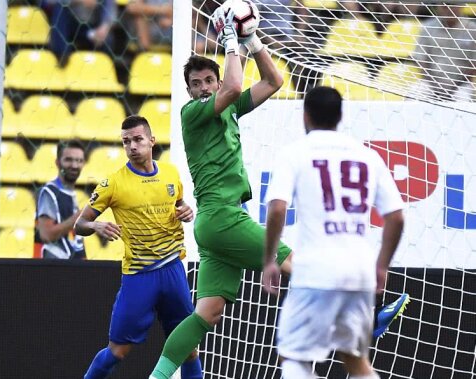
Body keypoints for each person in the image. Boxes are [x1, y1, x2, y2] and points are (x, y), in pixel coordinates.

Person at [149, 7, 294, 379]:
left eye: (206, 81)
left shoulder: (227, 109)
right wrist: (230, 40)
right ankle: (362, 320)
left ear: (213, 82)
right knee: (296, 262)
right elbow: (232, 87)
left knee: (207, 313)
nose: (201, 87)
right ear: (189, 91)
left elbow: (273, 80)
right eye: (194, 83)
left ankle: (158, 376)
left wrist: (252, 41)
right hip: (222, 217)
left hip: (218, 223)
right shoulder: (192, 113)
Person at [262, 86, 405, 378]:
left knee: (292, 358)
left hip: (316, 272)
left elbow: (277, 209)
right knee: (354, 360)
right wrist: (381, 265)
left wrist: (269, 260)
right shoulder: (368, 156)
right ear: (340, 116)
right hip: (360, 274)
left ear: (305, 115)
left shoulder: (295, 153)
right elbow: (397, 217)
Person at [74, 115, 202, 379]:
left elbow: (178, 204)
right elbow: (81, 224)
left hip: (172, 270)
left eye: (137, 139)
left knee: (188, 346)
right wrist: (97, 227)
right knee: (117, 350)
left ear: (151, 141)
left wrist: (185, 210)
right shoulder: (113, 183)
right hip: (139, 276)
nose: (132, 146)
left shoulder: (170, 173)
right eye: (126, 141)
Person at [412, 3, 476, 101]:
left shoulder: (472, 30)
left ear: (461, 5)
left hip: (461, 84)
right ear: (438, 7)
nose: (449, 9)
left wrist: (455, 86)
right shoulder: (428, 27)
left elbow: (473, 64)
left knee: (463, 99)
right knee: (415, 94)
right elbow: (421, 60)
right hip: (431, 82)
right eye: (445, 6)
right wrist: (434, 85)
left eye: (453, 5)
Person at [34, 139, 86, 259]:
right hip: (53, 269)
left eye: (79, 161)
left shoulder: (71, 194)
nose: (74, 165)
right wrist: (77, 218)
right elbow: (46, 234)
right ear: (57, 163)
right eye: (68, 160)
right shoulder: (50, 192)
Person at [49, 0, 116, 65]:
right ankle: (62, 55)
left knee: (108, 39)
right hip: (70, 26)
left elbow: (109, 8)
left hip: (93, 28)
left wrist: (104, 28)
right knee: (60, 8)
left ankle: (102, 69)